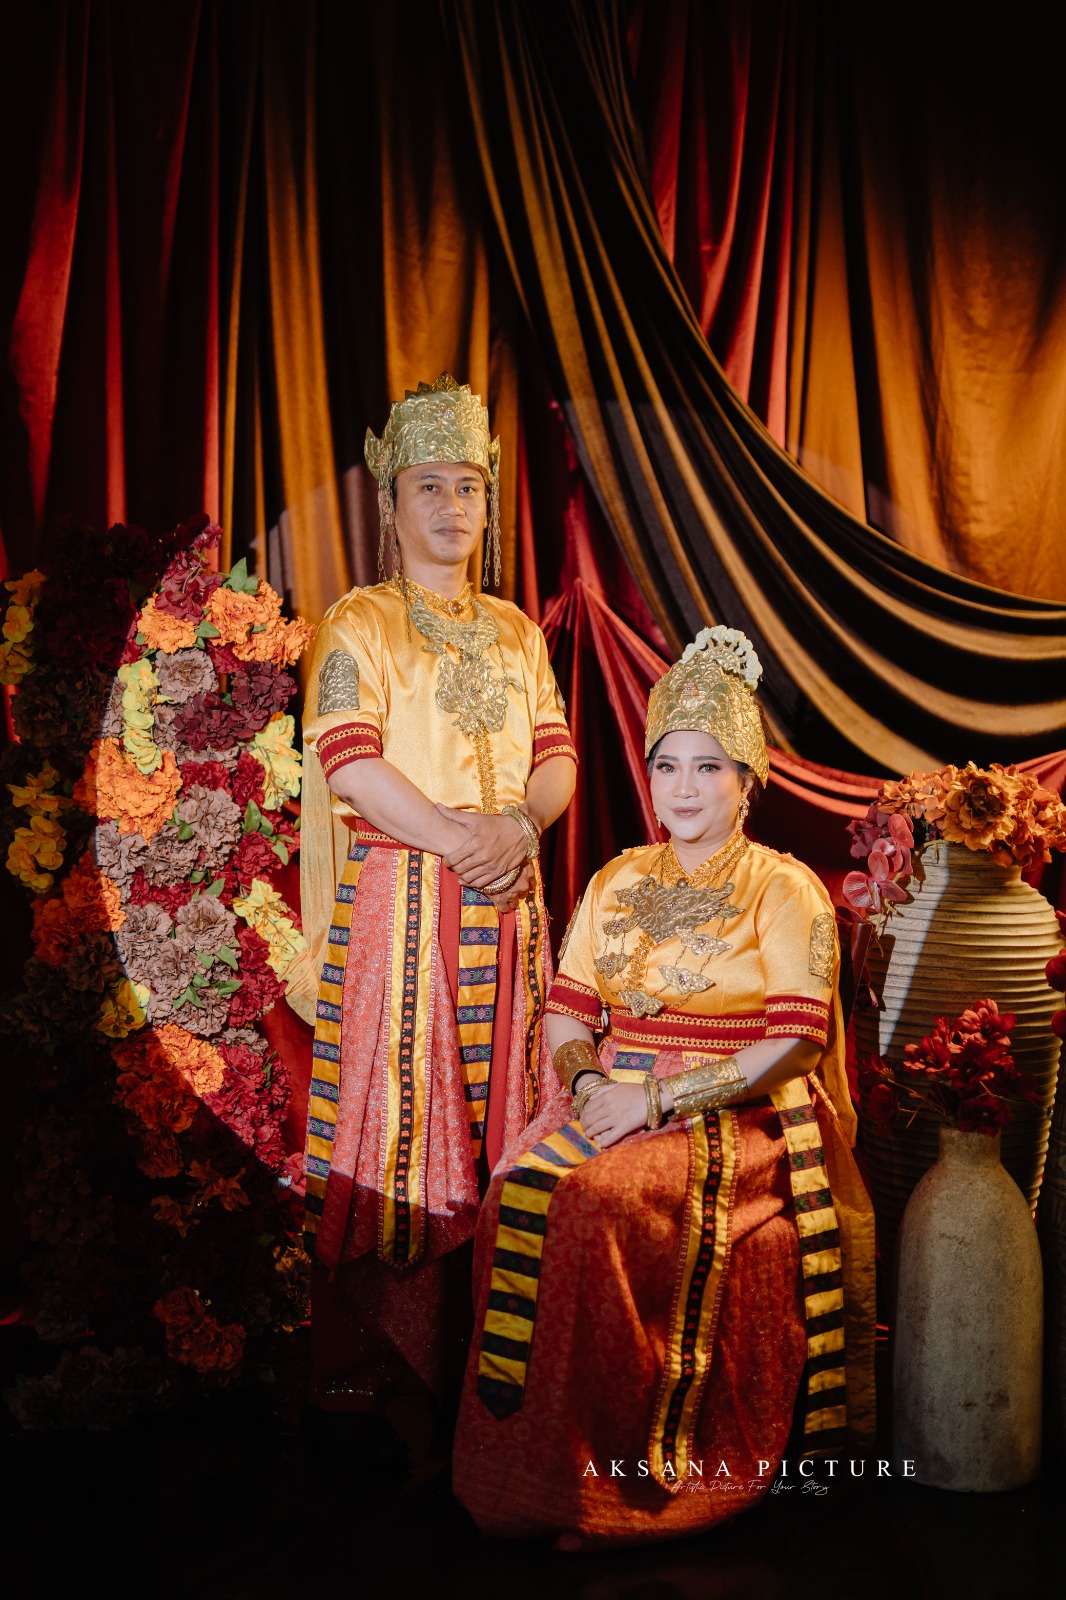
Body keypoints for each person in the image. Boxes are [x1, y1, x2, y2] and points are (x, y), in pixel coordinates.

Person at [453, 626, 875, 1547]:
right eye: (667, 766)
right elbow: (568, 1011)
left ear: (748, 782)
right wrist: (589, 1081)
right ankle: (519, 1470)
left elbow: (797, 1042)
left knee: (596, 1202)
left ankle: (616, 1471)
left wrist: (656, 1101)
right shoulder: (618, 877)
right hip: (609, 1088)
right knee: (516, 1188)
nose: (683, 788)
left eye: (708, 768)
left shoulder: (784, 889)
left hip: (736, 1109)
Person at [291, 374, 577, 1432]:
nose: (453, 505)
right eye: (430, 485)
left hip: (506, 910)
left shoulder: (515, 630)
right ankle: (379, 1389)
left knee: (505, 1119)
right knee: (397, 1131)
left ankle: (485, 1377)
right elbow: (348, 760)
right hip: (404, 908)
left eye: (469, 485)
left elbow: (556, 757)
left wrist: (519, 828)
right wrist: (467, 839)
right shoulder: (358, 622)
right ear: (391, 500)